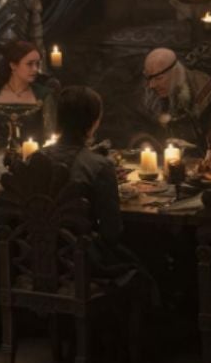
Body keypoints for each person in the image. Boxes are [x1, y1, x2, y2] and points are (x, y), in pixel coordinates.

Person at [37, 86, 150, 290]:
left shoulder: (34, 160)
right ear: (94, 121)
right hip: (82, 263)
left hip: (36, 258)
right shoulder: (98, 165)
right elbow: (112, 232)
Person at [138, 47, 211, 156]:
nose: (152, 85)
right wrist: (145, 141)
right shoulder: (158, 91)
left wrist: (191, 148)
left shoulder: (209, 94)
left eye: (159, 78)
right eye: (149, 79)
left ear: (175, 72)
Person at [0, 40, 57, 145]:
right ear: (13, 65)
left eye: (37, 64)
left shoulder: (43, 94)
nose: (35, 69)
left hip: (35, 154)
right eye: (30, 64)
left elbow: (50, 139)